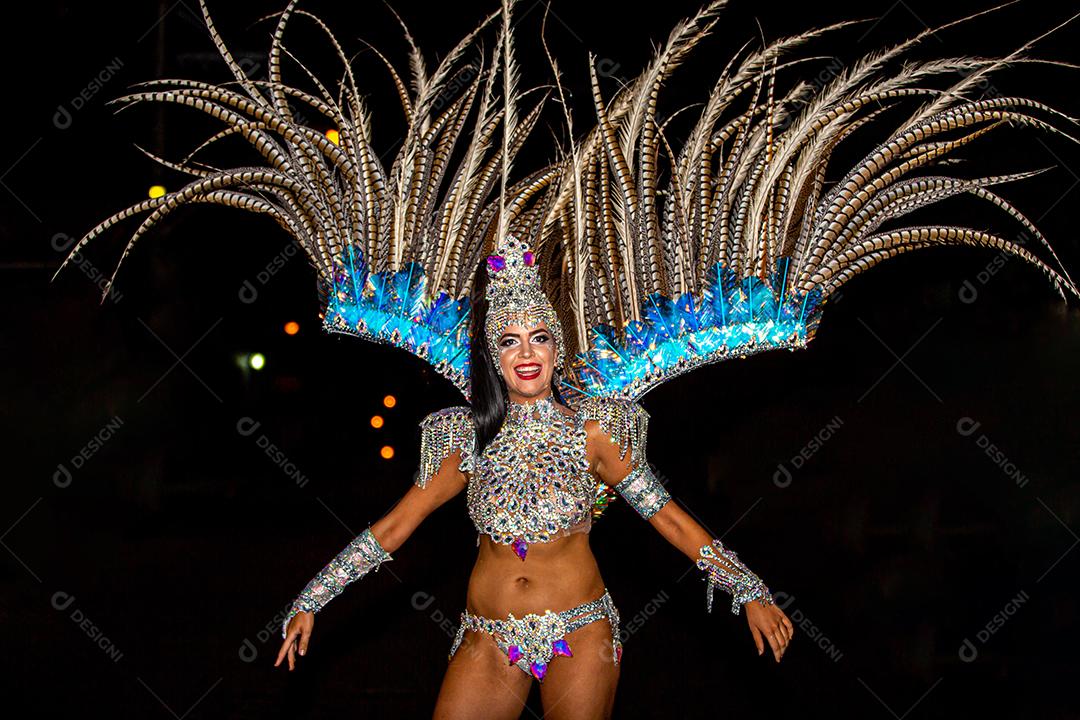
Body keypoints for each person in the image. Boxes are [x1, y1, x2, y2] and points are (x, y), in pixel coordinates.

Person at [274, 235, 794, 718]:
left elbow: (670, 519)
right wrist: (312, 599)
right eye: (510, 340)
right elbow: (393, 528)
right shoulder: (464, 439)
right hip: (488, 635)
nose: (526, 353)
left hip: (580, 631)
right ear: (493, 357)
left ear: (555, 349)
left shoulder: (595, 434)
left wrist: (749, 590)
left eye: (539, 338)